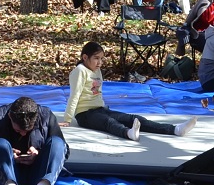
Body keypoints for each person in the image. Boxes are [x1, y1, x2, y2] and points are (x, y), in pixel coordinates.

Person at [65, 41, 196, 139]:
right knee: (109, 122)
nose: (99, 62)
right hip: (84, 115)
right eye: (96, 58)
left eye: (101, 59)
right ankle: (128, 133)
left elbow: (97, 93)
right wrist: (67, 119)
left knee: (133, 118)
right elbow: (74, 95)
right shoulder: (80, 71)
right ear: (85, 57)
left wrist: (104, 108)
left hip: (99, 109)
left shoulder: (96, 70)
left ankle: (175, 130)